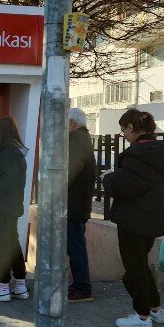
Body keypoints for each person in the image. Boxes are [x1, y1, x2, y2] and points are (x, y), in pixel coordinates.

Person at [103, 109, 164, 327]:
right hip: (157, 217)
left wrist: (108, 178)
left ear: (131, 127)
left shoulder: (137, 155)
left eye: (123, 130)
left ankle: (142, 316)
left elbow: (123, 187)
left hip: (134, 219)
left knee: (134, 267)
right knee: (141, 263)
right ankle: (156, 309)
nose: (124, 135)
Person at [0, 116, 30, 302]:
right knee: (12, 245)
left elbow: (6, 182)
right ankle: (20, 286)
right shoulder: (15, 151)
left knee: (0, 246)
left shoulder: (8, 153)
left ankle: (3, 288)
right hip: (11, 206)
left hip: (2, 207)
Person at [67, 107, 96, 303]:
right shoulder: (84, 138)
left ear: (72, 123)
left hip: (73, 204)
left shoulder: (75, 139)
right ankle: (79, 285)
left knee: (75, 247)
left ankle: (83, 288)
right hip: (79, 203)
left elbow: (69, 172)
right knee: (76, 245)